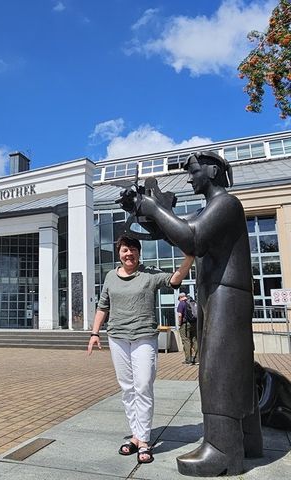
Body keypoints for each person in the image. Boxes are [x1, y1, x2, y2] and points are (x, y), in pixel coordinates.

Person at [137, 151, 262, 476]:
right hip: (218, 294)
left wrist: (154, 209)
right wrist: (154, 212)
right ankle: (247, 438)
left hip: (227, 295)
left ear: (213, 169)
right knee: (232, 365)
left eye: (193, 171)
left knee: (217, 368)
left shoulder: (226, 204)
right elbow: (184, 234)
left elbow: (191, 238)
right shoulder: (214, 208)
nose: (189, 177)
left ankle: (223, 449)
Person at [88, 234, 194, 465]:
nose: (129, 254)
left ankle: (144, 440)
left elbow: (174, 280)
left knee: (143, 386)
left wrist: (189, 259)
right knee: (127, 388)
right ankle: (136, 436)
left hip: (144, 337)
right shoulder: (109, 276)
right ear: (119, 254)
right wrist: (95, 333)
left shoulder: (149, 274)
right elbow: (102, 306)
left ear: (139, 253)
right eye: (125, 250)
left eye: (133, 250)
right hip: (117, 337)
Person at [176, 292, 198, 365]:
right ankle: (197, 359)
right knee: (195, 340)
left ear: (180, 297)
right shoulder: (193, 302)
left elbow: (180, 315)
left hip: (185, 324)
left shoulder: (181, 303)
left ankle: (188, 360)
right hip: (194, 323)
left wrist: (179, 323)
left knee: (186, 341)